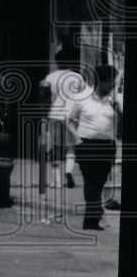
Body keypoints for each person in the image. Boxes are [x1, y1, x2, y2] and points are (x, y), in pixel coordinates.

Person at [67, 64, 122, 230]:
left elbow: (122, 127)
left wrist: (118, 111)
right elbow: (70, 121)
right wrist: (77, 140)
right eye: (110, 82)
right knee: (90, 181)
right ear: (100, 81)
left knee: (99, 182)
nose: (112, 86)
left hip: (107, 146)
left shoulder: (116, 101)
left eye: (114, 82)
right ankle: (94, 215)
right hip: (87, 143)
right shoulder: (82, 98)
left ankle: (91, 220)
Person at [39, 53, 82, 189]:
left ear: (56, 61)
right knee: (70, 146)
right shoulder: (77, 77)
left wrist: (43, 115)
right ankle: (68, 171)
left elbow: (45, 99)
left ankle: (56, 181)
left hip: (55, 115)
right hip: (72, 116)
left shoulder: (50, 77)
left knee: (55, 148)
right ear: (70, 62)